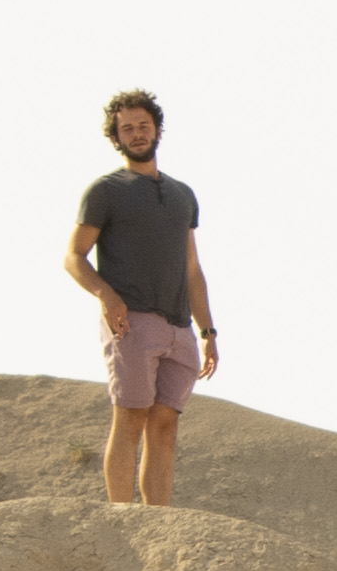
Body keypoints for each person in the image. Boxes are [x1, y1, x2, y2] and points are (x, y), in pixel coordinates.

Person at [61, 89, 219, 505]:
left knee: (165, 425)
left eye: (143, 126)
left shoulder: (183, 195)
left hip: (179, 326)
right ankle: (120, 517)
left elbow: (192, 269)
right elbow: (74, 256)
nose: (136, 134)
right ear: (116, 136)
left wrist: (208, 330)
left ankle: (157, 523)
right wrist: (107, 297)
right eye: (126, 128)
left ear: (158, 130)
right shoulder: (105, 191)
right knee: (130, 418)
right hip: (132, 322)